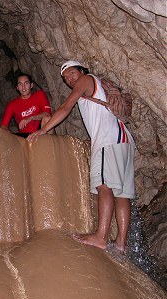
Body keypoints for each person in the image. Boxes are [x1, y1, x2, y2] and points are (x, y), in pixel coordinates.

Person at [27, 60, 135, 254]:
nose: (69, 79)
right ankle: (121, 243)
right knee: (122, 194)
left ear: (81, 70)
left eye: (72, 73)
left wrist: (44, 129)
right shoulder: (97, 84)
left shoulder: (85, 80)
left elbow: (66, 107)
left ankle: (100, 237)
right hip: (124, 140)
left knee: (104, 185)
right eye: (66, 78)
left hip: (107, 139)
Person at [0, 73, 52, 138]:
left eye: (26, 83)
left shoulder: (39, 95)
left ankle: (50, 146)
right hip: (24, 137)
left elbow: (47, 114)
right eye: (20, 84)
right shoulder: (12, 104)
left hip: (40, 133)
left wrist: (31, 118)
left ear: (31, 85)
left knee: (48, 119)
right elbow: (3, 125)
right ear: (17, 88)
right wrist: (11, 137)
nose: (23, 87)